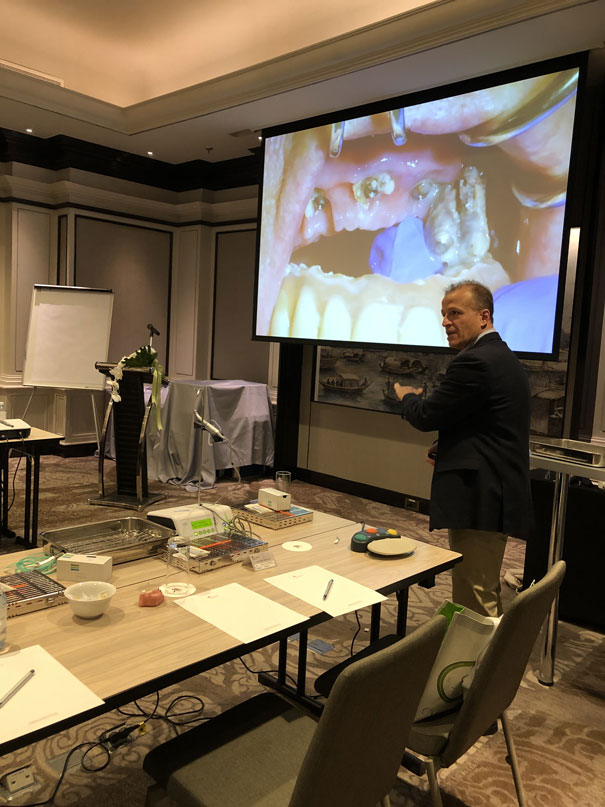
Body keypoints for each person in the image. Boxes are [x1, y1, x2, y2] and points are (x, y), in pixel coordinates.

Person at [394, 280, 532, 616]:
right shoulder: (501, 356)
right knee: (479, 586)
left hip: (481, 496)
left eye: (455, 313)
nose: (445, 322)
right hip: (494, 490)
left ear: (484, 316)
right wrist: (445, 447)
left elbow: (426, 415)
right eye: (443, 314)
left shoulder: (475, 361)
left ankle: (482, 653)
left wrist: (406, 397)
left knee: (475, 597)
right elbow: (487, 425)